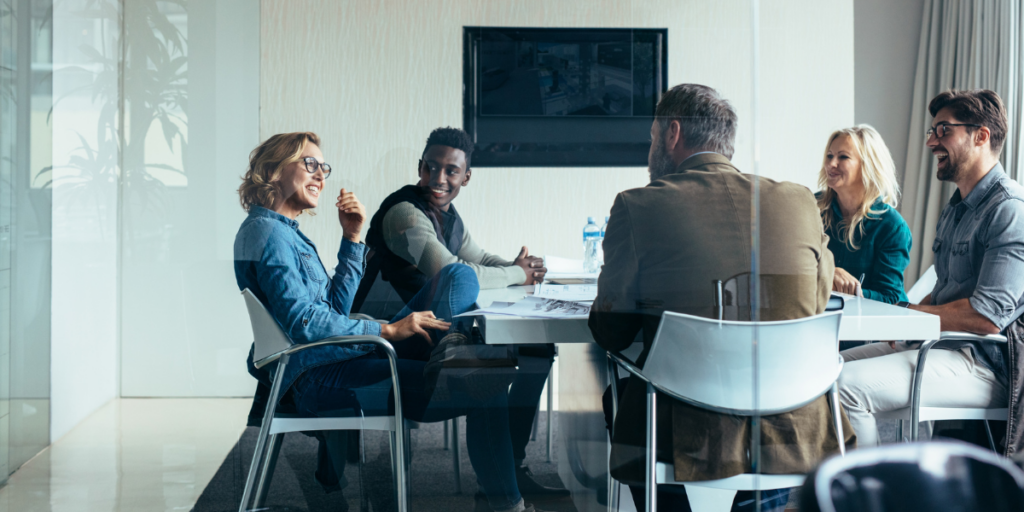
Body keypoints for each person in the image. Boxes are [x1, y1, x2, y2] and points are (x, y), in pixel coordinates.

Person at [233, 132, 551, 512]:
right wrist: (386, 330)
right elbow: (305, 322)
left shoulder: (282, 233)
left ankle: (453, 354)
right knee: (486, 383)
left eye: (323, 167)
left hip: (337, 359)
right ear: (274, 169)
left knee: (460, 279)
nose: (320, 175)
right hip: (322, 379)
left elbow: (333, 311)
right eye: (309, 164)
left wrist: (352, 238)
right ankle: (506, 504)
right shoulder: (269, 234)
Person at [590, 84, 854, 512]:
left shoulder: (637, 206)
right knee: (767, 410)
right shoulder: (799, 200)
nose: (651, 149)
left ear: (673, 133)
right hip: (794, 420)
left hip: (687, 425)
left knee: (619, 395)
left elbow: (611, 330)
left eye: (653, 136)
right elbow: (815, 299)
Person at [356, 127, 567, 499]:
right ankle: (502, 486)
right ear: (420, 168)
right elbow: (453, 270)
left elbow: (479, 258)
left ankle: (512, 466)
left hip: (429, 332)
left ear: (465, 177)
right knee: (485, 365)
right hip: (387, 337)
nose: (439, 178)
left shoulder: (448, 215)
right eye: (431, 167)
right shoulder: (404, 214)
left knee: (537, 349)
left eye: (451, 171)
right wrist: (516, 274)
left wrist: (520, 269)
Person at [839, 89, 1024, 453]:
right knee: (823, 371)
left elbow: (986, 317)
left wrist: (908, 316)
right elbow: (945, 290)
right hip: (941, 346)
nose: (930, 142)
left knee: (846, 386)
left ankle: (866, 486)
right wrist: (905, 323)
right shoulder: (955, 210)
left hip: (984, 363)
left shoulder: (1010, 210)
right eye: (931, 131)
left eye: (943, 130)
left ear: (981, 136)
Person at [816, 125, 911, 304]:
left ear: (868, 166)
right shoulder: (812, 208)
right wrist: (828, 272)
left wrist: (849, 290)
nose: (831, 164)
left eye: (843, 157)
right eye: (829, 156)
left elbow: (890, 297)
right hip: (821, 314)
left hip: (869, 318)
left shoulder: (892, 226)